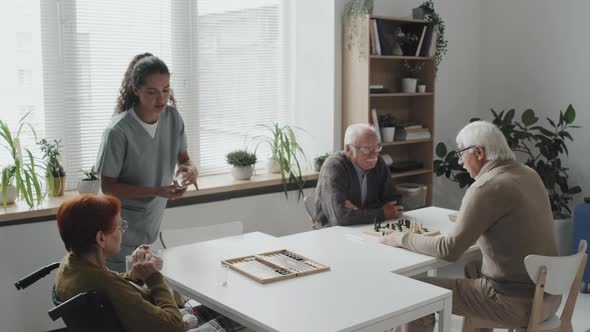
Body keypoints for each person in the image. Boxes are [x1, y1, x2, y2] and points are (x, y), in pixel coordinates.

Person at [380, 121, 561, 332]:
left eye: (461, 153)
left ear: (479, 152)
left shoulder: (486, 186)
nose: (460, 161)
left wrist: (402, 238)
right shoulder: (529, 174)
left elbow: (449, 250)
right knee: (473, 266)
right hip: (549, 296)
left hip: (516, 304)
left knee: (417, 292)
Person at [55, 194, 243, 332]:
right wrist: (153, 277)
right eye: (119, 226)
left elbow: (114, 284)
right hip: (170, 326)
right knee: (241, 318)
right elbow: (173, 325)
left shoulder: (72, 266)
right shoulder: (108, 287)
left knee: (229, 308)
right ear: (101, 238)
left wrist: (134, 275)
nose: (123, 231)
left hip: (143, 321)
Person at [96, 53, 198, 272]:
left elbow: (184, 159)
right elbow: (108, 187)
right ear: (135, 89)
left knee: (145, 295)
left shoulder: (172, 118)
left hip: (149, 228)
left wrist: (189, 171)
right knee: (123, 298)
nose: (161, 99)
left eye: (166, 90)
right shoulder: (118, 132)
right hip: (116, 234)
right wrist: (156, 190)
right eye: (152, 92)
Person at [312, 123, 403, 229]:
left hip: (367, 227)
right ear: (348, 149)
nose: (373, 155)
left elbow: (395, 202)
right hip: (332, 233)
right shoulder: (334, 166)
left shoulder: (378, 163)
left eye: (376, 148)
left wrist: (359, 211)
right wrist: (381, 213)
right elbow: (340, 217)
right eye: (366, 149)